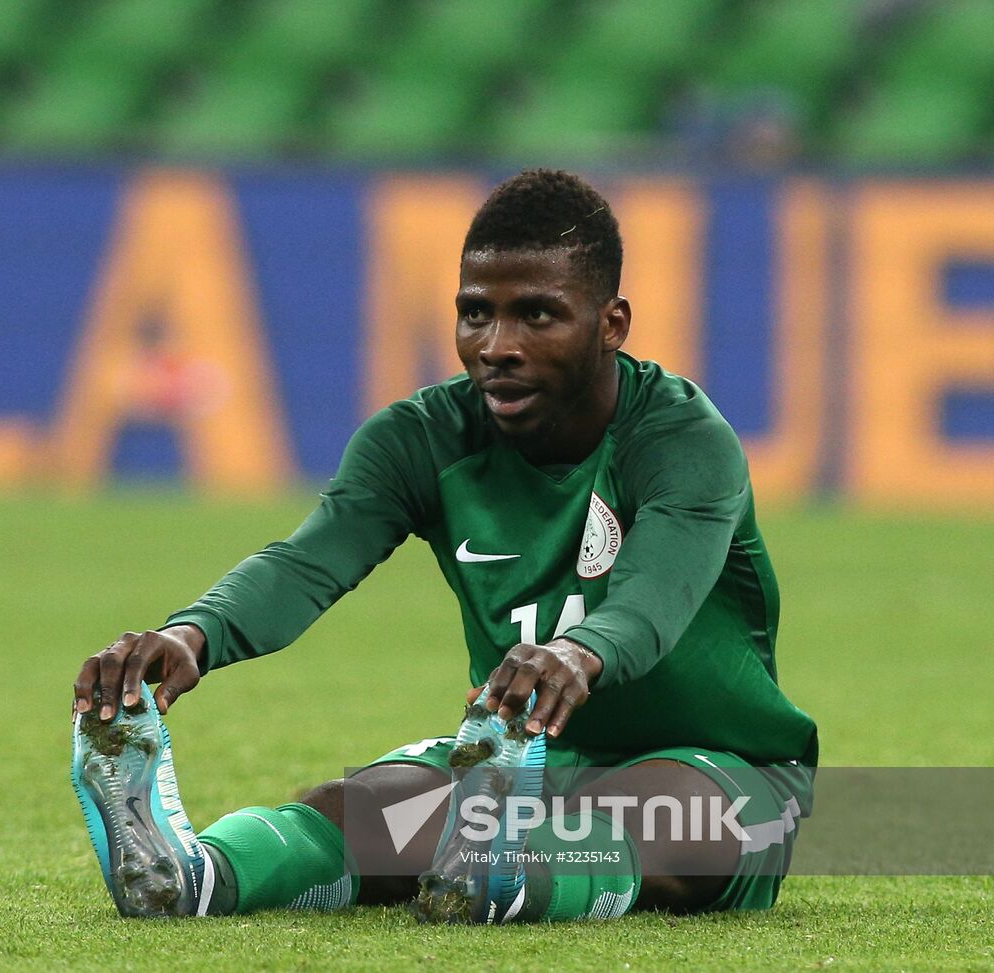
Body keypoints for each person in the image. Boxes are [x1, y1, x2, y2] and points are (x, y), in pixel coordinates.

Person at [70, 168, 818, 924]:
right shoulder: (421, 438)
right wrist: (192, 632)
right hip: (528, 760)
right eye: (475, 314)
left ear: (611, 322)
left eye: (537, 315)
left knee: (673, 821)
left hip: (725, 770)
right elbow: (307, 561)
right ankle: (191, 876)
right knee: (357, 813)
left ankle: (513, 871)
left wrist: (577, 652)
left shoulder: (683, 439)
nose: (497, 346)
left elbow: (652, 599)